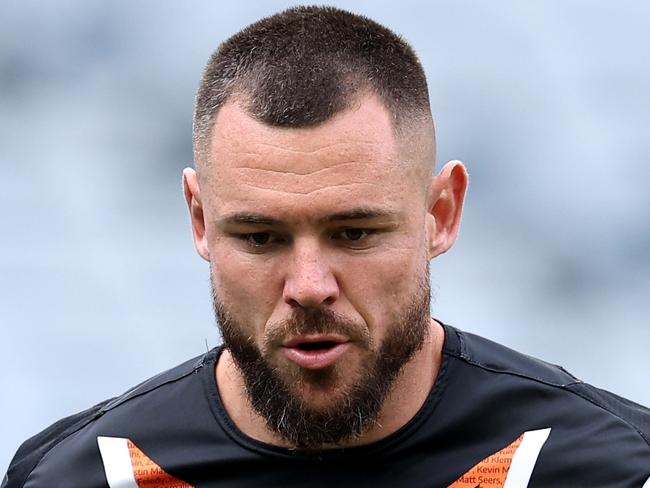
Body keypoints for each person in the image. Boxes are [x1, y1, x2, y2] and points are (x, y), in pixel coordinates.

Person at [4, 6, 649, 488]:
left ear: (440, 213)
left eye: (354, 233)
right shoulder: (81, 476)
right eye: (260, 237)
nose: (309, 285)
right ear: (200, 220)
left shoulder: (608, 468)